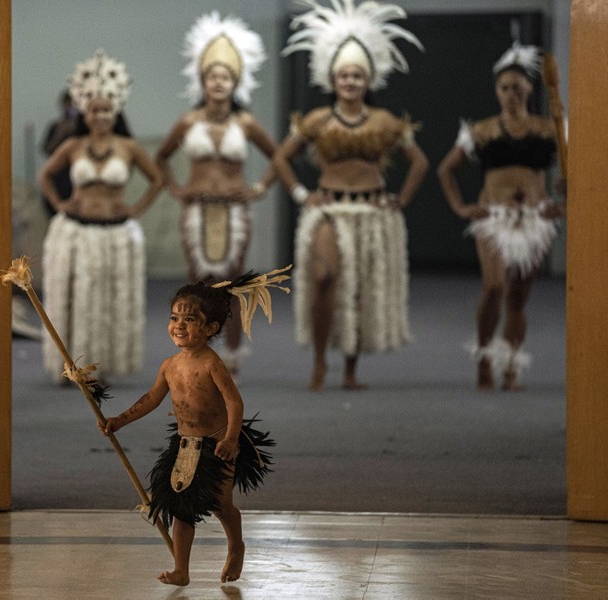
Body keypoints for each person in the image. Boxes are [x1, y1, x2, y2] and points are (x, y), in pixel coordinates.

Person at [274, 0, 428, 391]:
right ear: (333, 78)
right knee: (324, 278)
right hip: (329, 209)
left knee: (357, 290)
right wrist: (300, 193)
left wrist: (401, 200)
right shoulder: (317, 120)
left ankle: (350, 370)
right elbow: (281, 158)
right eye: (344, 75)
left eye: (357, 75)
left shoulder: (385, 121)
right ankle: (320, 361)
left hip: (371, 212)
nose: (350, 82)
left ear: (368, 79)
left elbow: (420, 163)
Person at [100, 270, 283, 586]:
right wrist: (120, 420)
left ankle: (236, 545)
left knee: (221, 505)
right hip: (185, 446)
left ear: (210, 328)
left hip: (217, 444)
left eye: (190, 320)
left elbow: (234, 403)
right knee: (181, 507)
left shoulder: (212, 363)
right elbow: (152, 399)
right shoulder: (169, 366)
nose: (179, 325)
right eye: (174, 318)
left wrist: (230, 439)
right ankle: (181, 569)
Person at [155, 12, 279, 375]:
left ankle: (234, 354)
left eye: (225, 76)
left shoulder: (246, 122)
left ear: (235, 81)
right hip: (197, 209)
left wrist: (258, 188)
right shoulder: (189, 121)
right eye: (212, 76)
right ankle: (198, 351)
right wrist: (176, 188)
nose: (218, 82)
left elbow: (278, 157)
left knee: (234, 282)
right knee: (199, 283)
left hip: (233, 209)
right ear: (203, 81)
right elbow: (161, 157)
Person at [437, 43, 564, 390]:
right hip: (494, 217)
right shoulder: (482, 131)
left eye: (517, 86)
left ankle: (510, 365)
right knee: (494, 286)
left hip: (534, 219)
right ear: (496, 91)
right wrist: (461, 207)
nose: (511, 93)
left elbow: (576, 175)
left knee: (519, 296)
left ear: (529, 88)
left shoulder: (549, 129)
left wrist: (563, 202)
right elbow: (446, 169)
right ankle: (483, 355)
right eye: (504, 87)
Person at [39, 50, 163, 382]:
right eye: (94, 110)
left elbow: (158, 179)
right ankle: (71, 366)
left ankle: (100, 365)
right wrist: (60, 203)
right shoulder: (73, 145)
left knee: (106, 298)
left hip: (114, 233)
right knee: (74, 299)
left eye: (107, 109)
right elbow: (45, 175)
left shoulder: (129, 147)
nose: (101, 115)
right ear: (85, 112)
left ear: (115, 111)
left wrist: (136, 208)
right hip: (77, 231)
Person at [39, 91, 79, 215]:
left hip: (77, 180)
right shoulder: (55, 126)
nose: (71, 108)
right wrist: (60, 134)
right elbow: (47, 150)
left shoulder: (85, 129)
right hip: (59, 179)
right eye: (68, 104)